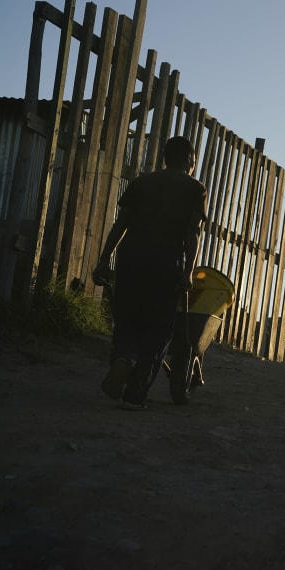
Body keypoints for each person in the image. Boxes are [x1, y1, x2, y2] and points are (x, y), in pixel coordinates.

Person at [93, 136, 207, 410]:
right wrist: (188, 272)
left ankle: (123, 358)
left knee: (127, 319)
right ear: (191, 161)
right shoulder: (195, 189)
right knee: (158, 330)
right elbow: (192, 233)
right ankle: (135, 393)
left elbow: (121, 224)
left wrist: (104, 259)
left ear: (165, 158)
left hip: (131, 259)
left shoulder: (141, 183)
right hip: (165, 263)